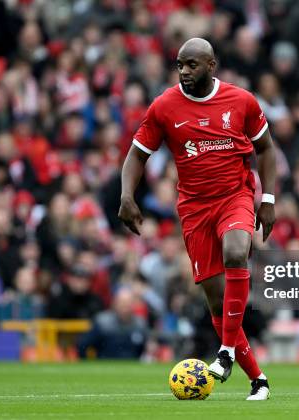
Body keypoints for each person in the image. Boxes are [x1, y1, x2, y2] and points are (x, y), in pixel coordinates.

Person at [118, 38, 276, 400]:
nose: (184, 72)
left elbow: (266, 149)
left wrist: (266, 199)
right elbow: (136, 155)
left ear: (211, 65)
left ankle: (224, 353)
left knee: (237, 252)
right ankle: (259, 380)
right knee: (217, 301)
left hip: (235, 196)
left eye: (192, 65)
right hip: (194, 209)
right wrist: (126, 196)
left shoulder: (241, 101)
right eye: (180, 65)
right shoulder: (164, 107)